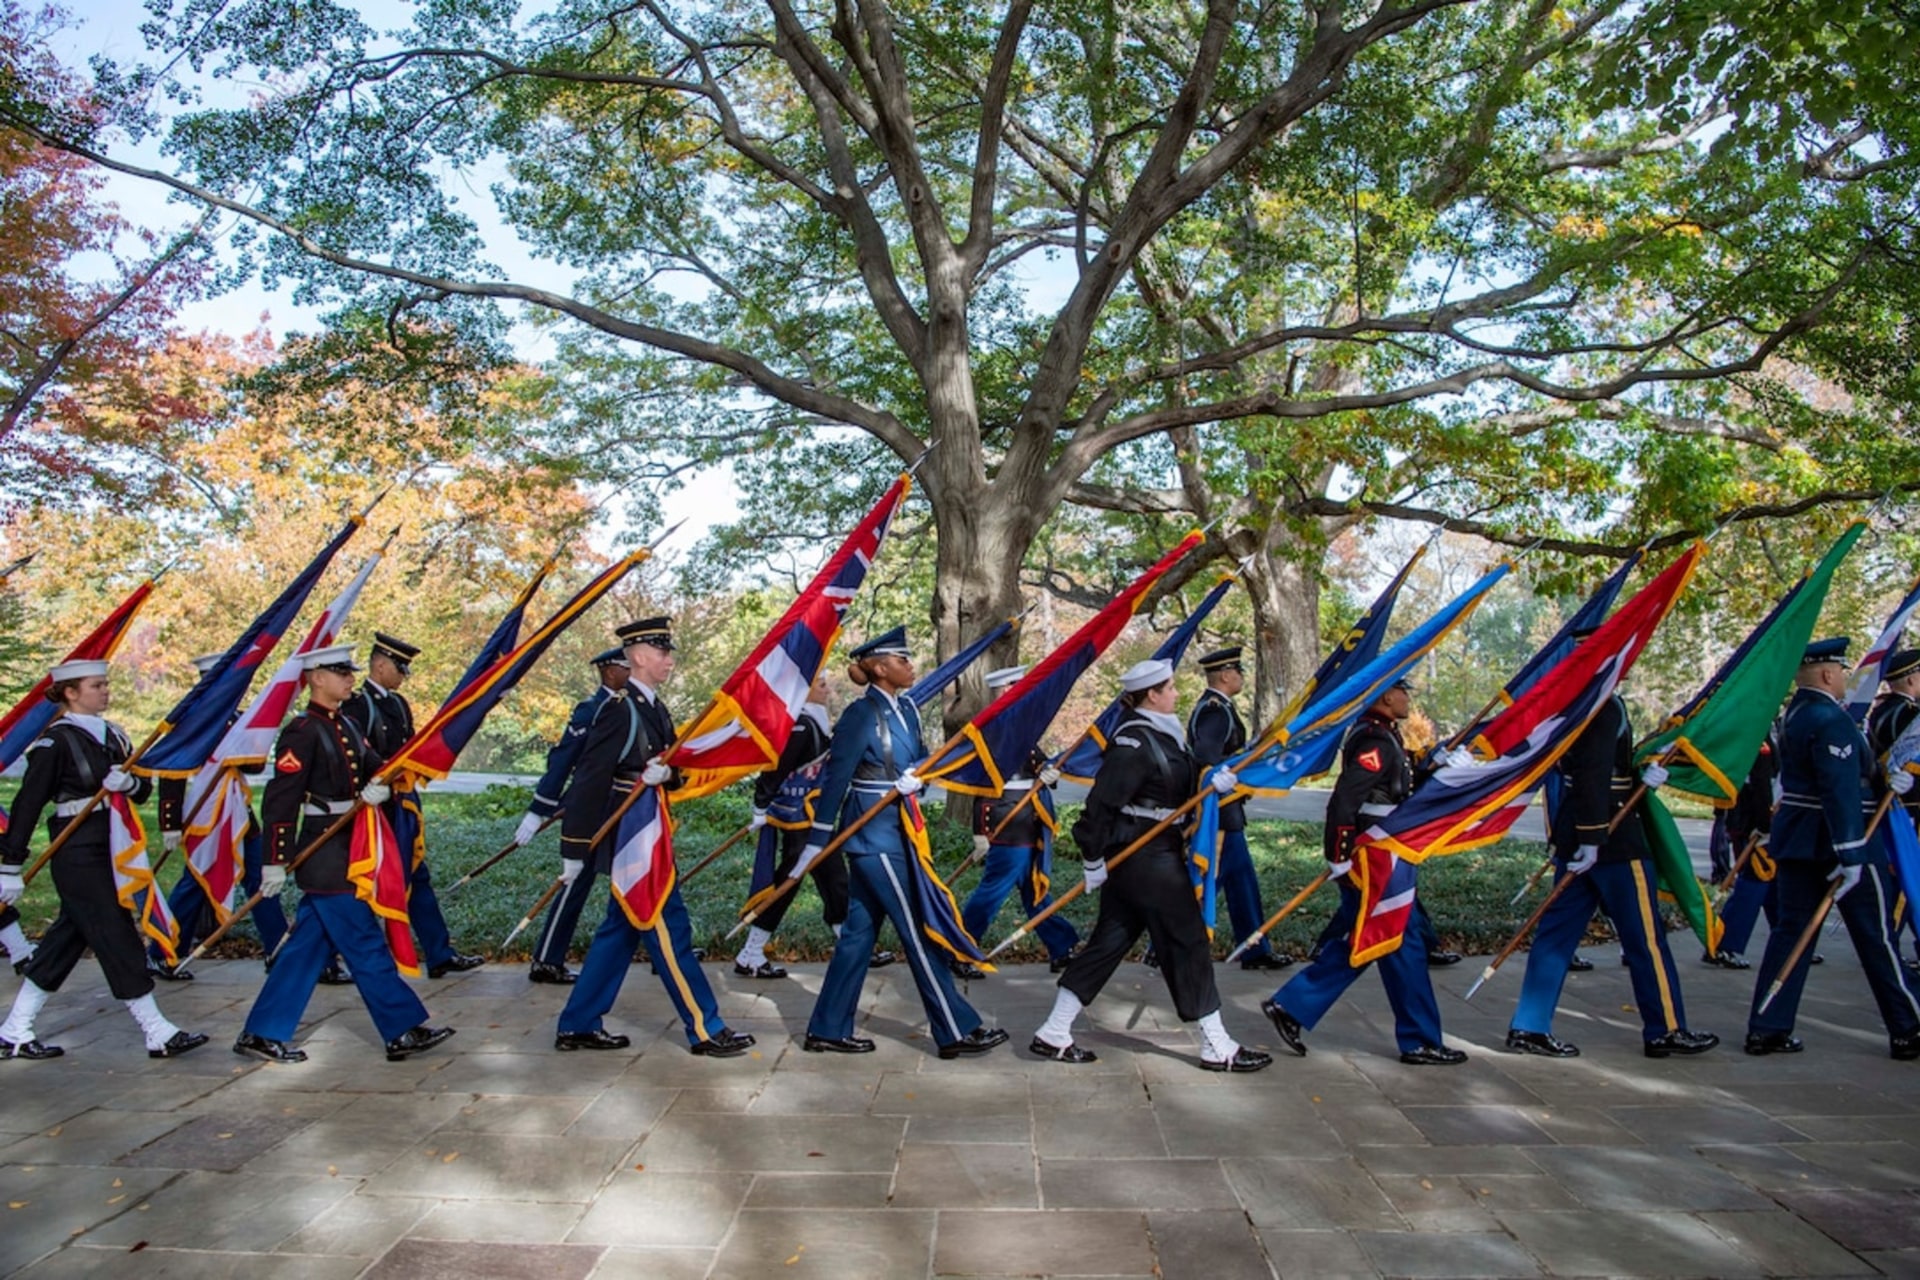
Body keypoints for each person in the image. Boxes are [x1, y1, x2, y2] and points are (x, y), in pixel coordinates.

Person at [1031, 659, 1272, 1072]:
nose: (1178, 694)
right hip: (1142, 855)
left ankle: (1054, 1031)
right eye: (1171, 688)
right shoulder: (1133, 742)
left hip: (1155, 848)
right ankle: (1217, 1045)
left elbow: (1184, 776)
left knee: (1110, 941)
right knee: (1188, 941)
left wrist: (1213, 778)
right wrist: (1092, 858)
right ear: (1152, 695)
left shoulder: (1164, 734)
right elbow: (1100, 805)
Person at [232, 645, 455, 1064]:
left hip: (351, 843)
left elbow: (375, 764)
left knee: (306, 949)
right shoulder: (302, 730)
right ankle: (401, 1027)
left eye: (349, 672)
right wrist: (274, 860)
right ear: (315, 678)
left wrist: (383, 781)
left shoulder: (346, 724)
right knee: (364, 942)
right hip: (325, 852)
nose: (350, 679)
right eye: (339, 672)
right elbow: (281, 800)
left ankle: (261, 1032)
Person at [553, 617, 754, 1057]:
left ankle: (578, 1023)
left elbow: (673, 766)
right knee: (669, 927)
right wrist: (573, 850)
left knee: (619, 932)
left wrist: (668, 772)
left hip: (649, 828)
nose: (669, 659)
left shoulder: (654, 707)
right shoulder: (619, 709)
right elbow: (588, 780)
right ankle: (705, 1026)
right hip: (633, 838)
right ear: (639, 656)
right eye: (662, 652)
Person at [802, 627, 1007, 1059]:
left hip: (901, 828)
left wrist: (919, 773)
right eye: (902, 660)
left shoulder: (909, 710)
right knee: (917, 927)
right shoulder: (861, 715)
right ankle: (954, 1028)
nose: (911, 666)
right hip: (873, 835)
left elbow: (918, 755)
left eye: (909, 660)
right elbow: (836, 778)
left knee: (858, 935)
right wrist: (818, 840)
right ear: (879, 668)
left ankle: (827, 1028)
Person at [0, 659, 208, 1060]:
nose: (106, 691)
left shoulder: (114, 734)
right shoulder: (54, 741)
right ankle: (157, 1030)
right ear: (71, 693)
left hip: (111, 844)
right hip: (76, 849)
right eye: (96, 685)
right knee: (115, 932)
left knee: (67, 939)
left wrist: (129, 783)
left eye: (106, 684)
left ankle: (14, 1030)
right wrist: (10, 864)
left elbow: (144, 790)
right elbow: (26, 805)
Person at [1504, 678, 1719, 1059]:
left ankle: (1530, 1025)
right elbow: (1593, 770)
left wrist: (1643, 771)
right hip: (1612, 837)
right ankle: (1665, 1027)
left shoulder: (1574, 699)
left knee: (1556, 936)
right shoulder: (1602, 703)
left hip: (1583, 832)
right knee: (1646, 940)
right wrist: (1593, 838)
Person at [1260, 678, 1464, 1065]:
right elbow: (1344, 802)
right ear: (1387, 696)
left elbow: (1398, 789)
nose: (1408, 699)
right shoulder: (1373, 740)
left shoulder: (1386, 735)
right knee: (1398, 942)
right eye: (1404, 692)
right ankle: (1419, 1039)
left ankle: (1293, 1006)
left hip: (1387, 858)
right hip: (1373, 862)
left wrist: (1438, 766)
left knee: (1369, 941)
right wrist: (1338, 855)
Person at [1745, 638, 1920, 1057]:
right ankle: (1908, 1026)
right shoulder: (1829, 719)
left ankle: (1768, 1025)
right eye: (1841, 670)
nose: (1845, 677)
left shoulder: (1798, 713)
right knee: (1876, 936)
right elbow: (1839, 790)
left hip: (1801, 840)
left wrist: (1885, 781)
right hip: (1843, 840)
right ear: (1826, 674)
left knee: (1791, 933)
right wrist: (1852, 853)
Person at [338, 632, 482, 980]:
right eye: (400, 668)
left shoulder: (399, 704)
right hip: (376, 807)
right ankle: (329, 957)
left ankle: (439, 952)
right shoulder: (358, 705)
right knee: (365, 883)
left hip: (402, 802)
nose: (403, 675)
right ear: (381, 664)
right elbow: (354, 757)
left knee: (418, 876)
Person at [150, 651, 289, 978]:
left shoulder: (238, 718)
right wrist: (169, 823)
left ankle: (277, 948)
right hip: (203, 814)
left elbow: (254, 764)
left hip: (238, 814)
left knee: (261, 880)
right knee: (195, 883)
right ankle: (164, 951)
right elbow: (172, 772)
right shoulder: (189, 721)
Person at [518, 647, 632, 984]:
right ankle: (546, 958)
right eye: (626, 666)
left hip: (621, 806)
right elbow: (564, 760)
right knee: (575, 882)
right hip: (591, 810)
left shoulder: (630, 707)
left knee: (638, 879)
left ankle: (661, 952)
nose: (631, 671)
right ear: (609, 671)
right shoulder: (592, 710)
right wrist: (540, 808)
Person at [959, 668, 1079, 973]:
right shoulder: (992, 727)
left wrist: (1047, 772)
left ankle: (1060, 946)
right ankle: (959, 950)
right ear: (1002, 690)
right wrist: (980, 831)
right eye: (1016, 685)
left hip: (1027, 818)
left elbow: (1035, 762)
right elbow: (979, 783)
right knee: (993, 891)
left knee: (1034, 889)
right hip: (1006, 823)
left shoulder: (1020, 724)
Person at [733, 671, 846, 978]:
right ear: (804, 691)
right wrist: (760, 804)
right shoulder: (800, 725)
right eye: (820, 685)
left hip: (815, 813)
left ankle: (850, 946)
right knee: (789, 881)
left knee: (834, 879)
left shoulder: (814, 720)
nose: (827, 690)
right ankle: (751, 952)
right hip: (797, 815)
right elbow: (775, 770)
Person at [1187, 646, 1287, 970]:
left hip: (1229, 813)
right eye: (1238, 672)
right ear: (1226, 675)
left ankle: (1254, 948)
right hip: (1218, 813)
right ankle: (1167, 946)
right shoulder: (1216, 710)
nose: (1241, 677)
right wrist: (1223, 775)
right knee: (1208, 882)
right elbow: (1206, 756)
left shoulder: (1220, 708)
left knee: (1242, 884)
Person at [1707, 726, 1781, 969]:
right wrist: (1764, 824)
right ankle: (1726, 945)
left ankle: (1788, 941)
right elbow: (1760, 781)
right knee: (1754, 881)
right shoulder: (1755, 731)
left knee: (1773, 884)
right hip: (1753, 822)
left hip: (1755, 818)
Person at [1867, 648, 1920, 965]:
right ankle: (1887, 947)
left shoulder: (1883, 711)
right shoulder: (1907, 716)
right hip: (1908, 810)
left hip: (1899, 806)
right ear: (1913, 679)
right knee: (1907, 881)